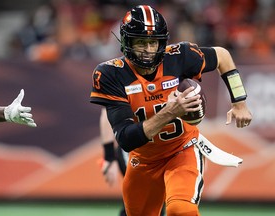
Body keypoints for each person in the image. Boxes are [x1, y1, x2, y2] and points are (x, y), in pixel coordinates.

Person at [90, 5, 252, 216]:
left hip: (182, 150)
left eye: (153, 42)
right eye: (140, 42)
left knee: (180, 210)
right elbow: (126, 139)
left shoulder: (178, 56)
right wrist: (170, 112)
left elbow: (222, 56)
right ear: (126, 42)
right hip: (143, 159)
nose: (148, 49)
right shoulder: (111, 74)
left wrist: (239, 102)